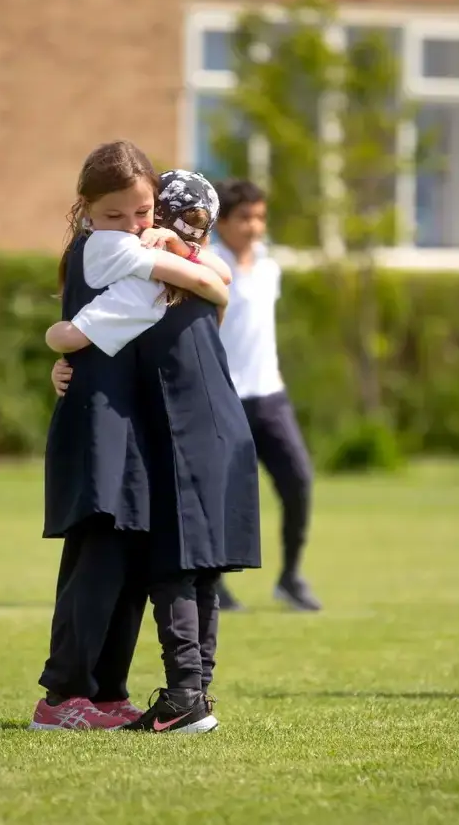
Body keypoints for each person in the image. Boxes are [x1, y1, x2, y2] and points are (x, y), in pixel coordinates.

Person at [47, 168, 261, 734]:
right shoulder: (181, 273)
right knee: (198, 568)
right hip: (216, 428)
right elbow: (217, 284)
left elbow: (74, 333)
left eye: (143, 215)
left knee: (174, 566)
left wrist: (61, 343)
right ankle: (190, 696)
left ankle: (183, 697)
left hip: (180, 431)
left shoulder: (151, 282)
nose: (135, 226)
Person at [210, 179, 322, 613]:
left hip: (271, 397)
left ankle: (290, 577)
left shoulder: (269, 267)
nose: (255, 227)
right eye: (245, 218)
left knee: (299, 481)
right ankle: (213, 582)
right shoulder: (207, 265)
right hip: (226, 399)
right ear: (221, 223)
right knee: (223, 495)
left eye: (260, 217)